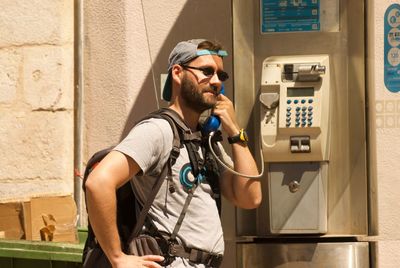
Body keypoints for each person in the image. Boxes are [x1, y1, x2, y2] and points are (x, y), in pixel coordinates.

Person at [85, 39, 262, 268]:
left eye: (221, 75)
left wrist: (236, 133)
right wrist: (118, 258)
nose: (216, 81)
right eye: (207, 71)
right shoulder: (158, 131)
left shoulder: (206, 142)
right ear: (178, 73)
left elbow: (251, 198)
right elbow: (98, 182)